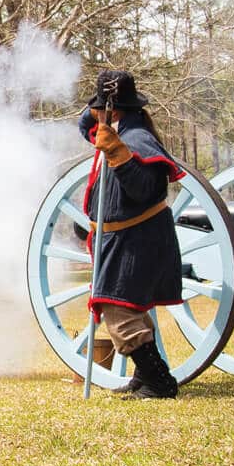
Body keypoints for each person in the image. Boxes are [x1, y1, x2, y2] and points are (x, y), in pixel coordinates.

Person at [77, 70, 184, 399]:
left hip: (137, 239)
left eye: (100, 109)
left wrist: (119, 156)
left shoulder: (136, 140)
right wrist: (101, 107)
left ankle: (158, 381)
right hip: (127, 238)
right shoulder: (120, 126)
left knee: (119, 310)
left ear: (116, 111)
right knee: (131, 308)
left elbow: (145, 189)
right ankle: (144, 375)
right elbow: (88, 127)